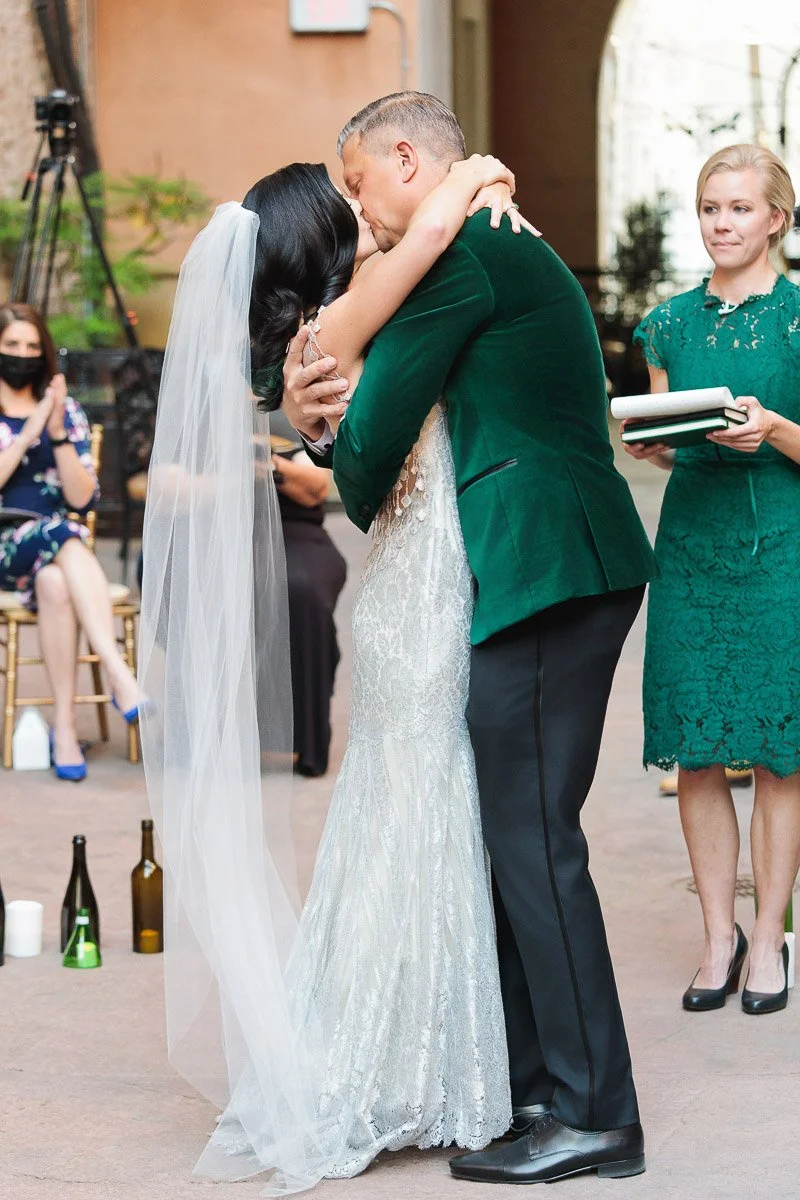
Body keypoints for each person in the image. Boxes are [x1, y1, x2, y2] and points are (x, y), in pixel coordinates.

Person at [283, 92, 657, 1186]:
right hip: (549, 566)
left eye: (360, 184)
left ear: (407, 159)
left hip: (546, 568)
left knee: (533, 840)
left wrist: (326, 430)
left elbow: (365, 462)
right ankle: (538, 1088)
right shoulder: (482, 237)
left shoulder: (461, 258)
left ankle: (596, 1114)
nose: (360, 212)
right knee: (514, 837)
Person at [140, 149, 531, 1191]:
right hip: (423, 576)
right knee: (420, 794)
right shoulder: (354, 312)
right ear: (322, 235)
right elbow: (434, 229)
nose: (365, 204)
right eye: (347, 198)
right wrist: (478, 170)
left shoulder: (318, 335)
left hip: (413, 573)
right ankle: (409, 1060)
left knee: (406, 798)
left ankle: (406, 1044)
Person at [625, 144, 800, 1016]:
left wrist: (774, 428)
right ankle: (716, 937)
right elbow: (668, 431)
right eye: (709, 207)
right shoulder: (667, 324)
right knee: (695, 750)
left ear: (776, 218)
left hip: (781, 550)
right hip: (692, 545)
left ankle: (768, 937)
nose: (721, 224)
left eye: (738, 208)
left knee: (777, 755)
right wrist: (654, 445)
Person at [0, 302, 143, 782]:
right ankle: (119, 673)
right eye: (11, 345)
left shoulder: (67, 412)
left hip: (57, 552)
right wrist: (29, 432)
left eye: (31, 346)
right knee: (65, 534)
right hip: (6, 546)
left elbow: (82, 499)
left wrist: (58, 434)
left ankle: (64, 730)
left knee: (57, 583)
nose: (22, 354)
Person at [270, 409, 346, 777]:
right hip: (217, 539)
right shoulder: (199, 411)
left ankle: (309, 740)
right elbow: (167, 486)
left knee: (303, 592)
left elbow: (316, 488)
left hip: (297, 533)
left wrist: (267, 466)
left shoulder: (284, 415)